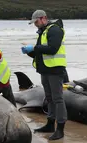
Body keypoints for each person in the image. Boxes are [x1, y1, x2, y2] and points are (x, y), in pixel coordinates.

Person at [21, 10, 67, 140]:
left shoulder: (55, 30)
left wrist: (34, 48)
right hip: (45, 70)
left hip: (55, 70)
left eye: (36, 22)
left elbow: (53, 49)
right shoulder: (43, 32)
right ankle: (50, 124)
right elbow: (40, 52)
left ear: (43, 18)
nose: (35, 24)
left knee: (58, 99)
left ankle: (60, 129)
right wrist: (29, 52)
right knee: (49, 98)